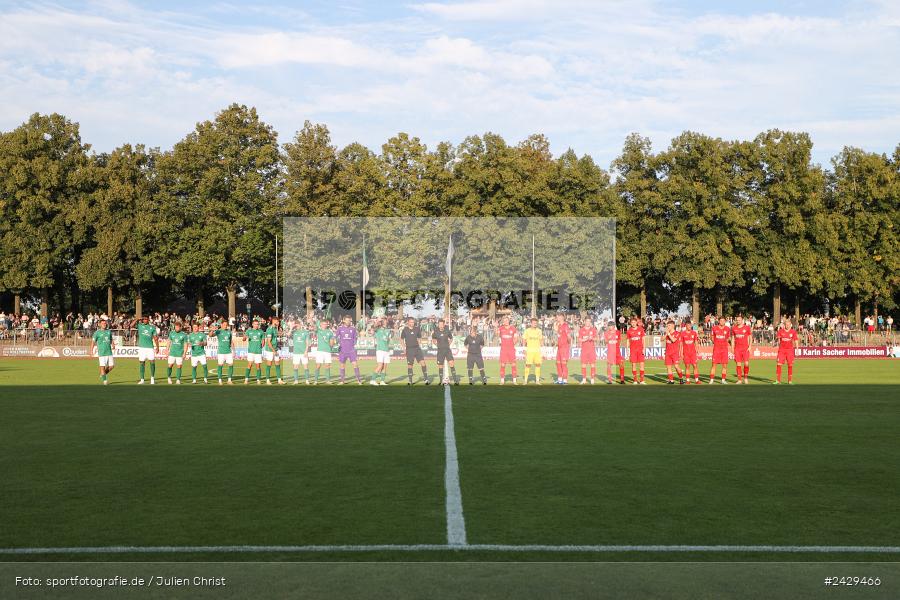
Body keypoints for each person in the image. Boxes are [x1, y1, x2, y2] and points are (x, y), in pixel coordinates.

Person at [399, 317, 430, 385]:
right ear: (408, 322)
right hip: (409, 349)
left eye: (413, 322)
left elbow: (419, 338)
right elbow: (401, 339)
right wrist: (404, 348)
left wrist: (419, 344)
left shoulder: (417, 329)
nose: (412, 323)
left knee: (423, 363)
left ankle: (426, 379)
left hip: (417, 349)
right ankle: (410, 381)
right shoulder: (405, 330)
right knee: (410, 365)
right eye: (411, 322)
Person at [336, 315, 362, 384]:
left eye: (349, 320)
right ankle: (342, 381)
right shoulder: (340, 328)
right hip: (342, 350)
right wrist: (338, 344)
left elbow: (355, 338)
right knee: (342, 365)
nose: (348, 322)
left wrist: (353, 344)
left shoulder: (353, 329)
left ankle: (359, 380)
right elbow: (335, 337)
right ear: (344, 320)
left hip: (351, 350)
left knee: (355, 364)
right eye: (347, 320)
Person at [433, 319, 459, 385]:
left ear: (444, 325)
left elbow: (451, 338)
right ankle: (441, 381)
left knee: (451, 364)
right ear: (438, 325)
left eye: (442, 324)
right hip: (440, 351)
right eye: (439, 324)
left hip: (447, 350)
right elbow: (433, 340)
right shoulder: (435, 332)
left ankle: (455, 381)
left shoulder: (447, 331)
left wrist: (449, 344)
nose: (441, 326)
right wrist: (437, 345)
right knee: (440, 366)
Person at [90, 318, 115, 385]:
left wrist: (113, 344)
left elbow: (111, 339)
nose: (104, 324)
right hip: (102, 352)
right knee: (102, 367)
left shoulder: (108, 331)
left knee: (112, 366)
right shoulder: (97, 333)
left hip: (109, 351)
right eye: (103, 323)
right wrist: (91, 351)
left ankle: (102, 374)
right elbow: (93, 342)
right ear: (100, 324)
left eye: (105, 323)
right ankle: (105, 380)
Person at [136, 315, 159, 385]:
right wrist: (137, 319)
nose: (145, 320)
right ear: (142, 320)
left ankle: (152, 378)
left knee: (152, 362)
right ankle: (142, 379)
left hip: (150, 347)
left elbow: (155, 338)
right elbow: (131, 325)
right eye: (144, 319)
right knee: (142, 362)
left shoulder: (152, 327)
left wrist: (157, 347)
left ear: (148, 320)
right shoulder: (140, 326)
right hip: (142, 348)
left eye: (146, 319)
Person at [775, 318, 799, 384]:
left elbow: (796, 341)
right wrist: (777, 340)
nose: (787, 326)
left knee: (790, 365)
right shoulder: (780, 331)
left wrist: (797, 349)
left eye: (788, 325)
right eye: (786, 325)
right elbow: (778, 339)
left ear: (790, 325)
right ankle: (778, 380)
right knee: (778, 364)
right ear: (784, 325)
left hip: (790, 351)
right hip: (782, 350)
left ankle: (790, 381)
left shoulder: (793, 332)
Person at [211, 319, 235, 385]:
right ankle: (220, 380)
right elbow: (211, 335)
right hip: (221, 352)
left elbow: (231, 341)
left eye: (226, 325)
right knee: (220, 365)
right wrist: (212, 330)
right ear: (221, 325)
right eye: (224, 325)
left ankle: (229, 380)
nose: (225, 326)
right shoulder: (218, 331)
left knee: (231, 365)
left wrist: (234, 350)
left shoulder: (229, 332)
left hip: (228, 351)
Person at [709, 316, 731, 384]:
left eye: (723, 321)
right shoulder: (714, 328)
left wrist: (728, 342)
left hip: (724, 349)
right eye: (721, 321)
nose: (722, 322)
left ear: (725, 321)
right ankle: (711, 380)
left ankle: (723, 380)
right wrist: (714, 342)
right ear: (719, 321)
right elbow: (712, 337)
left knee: (724, 365)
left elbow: (728, 338)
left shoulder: (727, 329)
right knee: (714, 365)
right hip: (716, 349)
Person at [731, 315, 752, 384]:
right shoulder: (734, 328)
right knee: (738, 364)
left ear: (742, 320)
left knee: (746, 363)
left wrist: (750, 346)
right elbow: (733, 339)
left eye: (739, 320)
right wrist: (732, 347)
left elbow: (750, 337)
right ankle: (739, 379)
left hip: (745, 348)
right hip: (737, 349)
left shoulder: (747, 327)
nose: (738, 321)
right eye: (737, 320)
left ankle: (745, 378)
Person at [263, 316, 284, 385]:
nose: (278, 323)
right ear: (274, 321)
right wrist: (274, 351)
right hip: (270, 350)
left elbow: (275, 338)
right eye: (277, 321)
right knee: (269, 364)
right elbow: (268, 342)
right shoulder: (269, 329)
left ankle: (279, 380)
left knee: (277, 364)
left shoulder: (275, 328)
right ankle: (267, 380)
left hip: (276, 349)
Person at [497, 316, 518, 385]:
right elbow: (496, 335)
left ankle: (514, 380)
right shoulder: (501, 328)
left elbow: (516, 338)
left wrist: (513, 344)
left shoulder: (513, 328)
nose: (505, 322)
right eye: (504, 320)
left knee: (513, 364)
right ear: (503, 322)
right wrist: (495, 327)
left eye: (506, 320)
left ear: (508, 321)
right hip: (503, 350)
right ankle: (502, 380)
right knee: (503, 365)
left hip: (511, 349)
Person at [370, 318, 391, 386]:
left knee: (385, 366)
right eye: (384, 322)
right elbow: (372, 329)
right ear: (381, 323)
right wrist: (377, 321)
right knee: (380, 366)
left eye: (386, 322)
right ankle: (372, 380)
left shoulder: (388, 330)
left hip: (386, 350)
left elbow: (388, 340)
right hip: (380, 350)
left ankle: (382, 381)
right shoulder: (377, 330)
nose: (385, 323)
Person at [314, 319, 336, 384]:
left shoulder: (330, 332)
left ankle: (328, 380)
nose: (324, 325)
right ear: (321, 324)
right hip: (320, 351)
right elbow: (315, 328)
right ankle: (316, 380)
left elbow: (332, 341)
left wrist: (331, 346)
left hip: (327, 351)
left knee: (327, 365)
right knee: (318, 365)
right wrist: (316, 321)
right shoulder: (318, 331)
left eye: (326, 324)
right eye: (323, 324)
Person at [523, 317, 543, 384]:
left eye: (536, 323)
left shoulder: (539, 331)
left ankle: (537, 381)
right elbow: (524, 340)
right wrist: (524, 349)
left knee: (538, 365)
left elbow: (541, 341)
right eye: (534, 323)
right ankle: (525, 380)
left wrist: (543, 350)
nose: (535, 324)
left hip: (537, 351)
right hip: (529, 351)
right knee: (528, 365)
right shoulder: (527, 331)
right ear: (531, 323)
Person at [244, 319, 265, 385]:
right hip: (251, 351)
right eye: (255, 324)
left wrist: (262, 345)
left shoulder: (261, 331)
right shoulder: (249, 331)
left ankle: (258, 380)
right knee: (249, 365)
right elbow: (244, 339)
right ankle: (246, 379)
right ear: (252, 324)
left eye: (257, 324)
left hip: (258, 351)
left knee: (258, 366)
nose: (256, 325)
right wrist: (245, 337)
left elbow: (263, 341)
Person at [578, 316, 598, 384]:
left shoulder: (593, 330)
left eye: (589, 321)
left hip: (591, 350)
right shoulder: (581, 330)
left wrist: (592, 338)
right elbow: (579, 339)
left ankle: (592, 379)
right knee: (583, 365)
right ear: (584, 322)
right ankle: (584, 379)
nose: (588, 323)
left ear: (590, 322)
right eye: (587, 321)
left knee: (592, 365)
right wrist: (585, 339)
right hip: (584, 350)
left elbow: (596, 339)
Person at [626, 316, 646, 384]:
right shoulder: (629, 331)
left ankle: (642, 380)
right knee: (633, 365)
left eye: (634, 322)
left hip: (640, 350)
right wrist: (627, 350)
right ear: (630, 323)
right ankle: (635, 380)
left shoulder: (641, 329)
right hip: (632, 350)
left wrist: (644, 348)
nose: (633, 323)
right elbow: (628, 341)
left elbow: (643, 339)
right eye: (632, 322)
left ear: (636, 322)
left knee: (642, 364)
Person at [663, 320, 684, 384]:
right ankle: (671, 380)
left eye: (669, 325)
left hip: (674, 353)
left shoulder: (677, 333)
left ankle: (681, 378)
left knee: (676, 366)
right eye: (667, 325)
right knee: (668, 367)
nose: (667, 327)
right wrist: (666, 334)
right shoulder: (667, 333)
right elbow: (661, 339)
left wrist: (668, 334)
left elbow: (673, 340)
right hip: (667, 353)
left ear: (673, 325)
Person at [680, 318, 700, 384]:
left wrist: (697, 349)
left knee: (695, 365)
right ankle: (688, 380)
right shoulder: (682, 334)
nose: (689, 327)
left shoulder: (694, 333)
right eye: (688, 325)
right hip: (686, 353)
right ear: (685, 326)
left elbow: (696, 341)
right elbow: (681, 344)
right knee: (687, 366)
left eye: (690, 325)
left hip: (693, 353)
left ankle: (697, 380)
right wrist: (681, 353)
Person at [554, 313, 571, 384]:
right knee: (558, 363)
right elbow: (559, 336)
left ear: (561, 317)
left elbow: (569, 337)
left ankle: (565, 380)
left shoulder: (565, 325)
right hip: (559, 347)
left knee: (564, 364)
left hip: (564, 348)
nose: (556, 318)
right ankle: (560, 379)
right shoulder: (559, 326)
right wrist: (556, 343)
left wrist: (567, 345)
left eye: (557, 317)